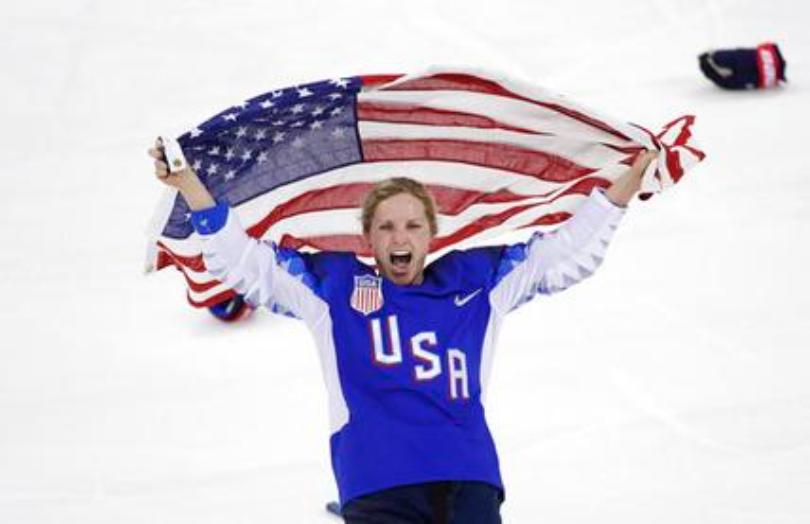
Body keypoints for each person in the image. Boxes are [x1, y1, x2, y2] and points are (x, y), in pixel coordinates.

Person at [149, 141, 656, 523]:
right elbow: (245, 265)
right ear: (368, 237)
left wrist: (627, 183)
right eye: (387, 227)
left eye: (413, 226)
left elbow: (565, 254)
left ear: (431, 236)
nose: (400, 237)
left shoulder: (477, 283)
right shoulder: (334, 287)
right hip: (379, 485)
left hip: (468, 479)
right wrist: (190, 186)